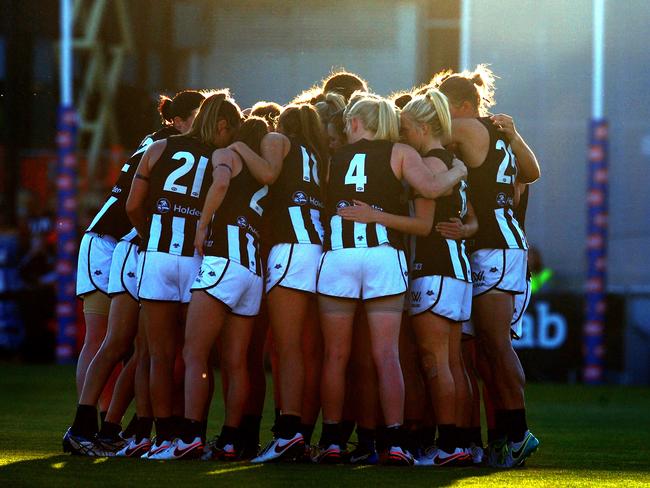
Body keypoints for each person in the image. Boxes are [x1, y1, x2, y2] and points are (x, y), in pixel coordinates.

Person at [314, 93, 467, 465]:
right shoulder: (400, 152)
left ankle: (332, 440)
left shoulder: (332, 157)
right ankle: (395, 442)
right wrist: (460, 170)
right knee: (387, 355)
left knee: (336, 355)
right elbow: (431, 189)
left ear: (353, 123)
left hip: (340, 256)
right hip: (384, 255)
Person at [63, 90, 205, 456]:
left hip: (134, 244)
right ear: (177, 119)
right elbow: (134, 203)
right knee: (107, 340)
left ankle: (109, 427)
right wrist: (149, 235)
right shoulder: (167, 145)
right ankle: (86, 425)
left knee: (136, 346)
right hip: (112, 240)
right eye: (196, 116)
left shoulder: (160, 143)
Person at [125, 91, 242, 458]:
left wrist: (150, 234)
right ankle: (194, 436)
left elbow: (132, 205)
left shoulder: (158, 148)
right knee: (198, 356)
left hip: (158, 256)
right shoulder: (223, 155)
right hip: (198, 259)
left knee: (159, 355)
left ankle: (163, 438)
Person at [435, 64, 541, 468]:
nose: (440, 116)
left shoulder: (466, 128)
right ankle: (502, 436)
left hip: (495, 247)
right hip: (501, 245)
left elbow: (420, 133)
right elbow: (531, 173)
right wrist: (513, 136)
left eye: (444, 107)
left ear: (463, 105)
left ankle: (517, 433)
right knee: (484, 352)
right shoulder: (498, 133)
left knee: (495, 346)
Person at [152, 116, 269, 460]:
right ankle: (231, 440)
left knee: (194, 352)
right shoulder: (265, 171)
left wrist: (202, 225)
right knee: (237, 362)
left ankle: (189, 436)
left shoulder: (229, 154)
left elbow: (219, 184)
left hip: (224, 260)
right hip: (252, 267)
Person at [230, 104, 329, 463]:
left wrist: (240, 148)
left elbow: (269, 175)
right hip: (319, 248)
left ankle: (288, 433)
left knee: (286, 348)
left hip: (291, 248)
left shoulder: (277, 140)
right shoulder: (319, 155)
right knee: (306, 349)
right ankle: (299, 433)